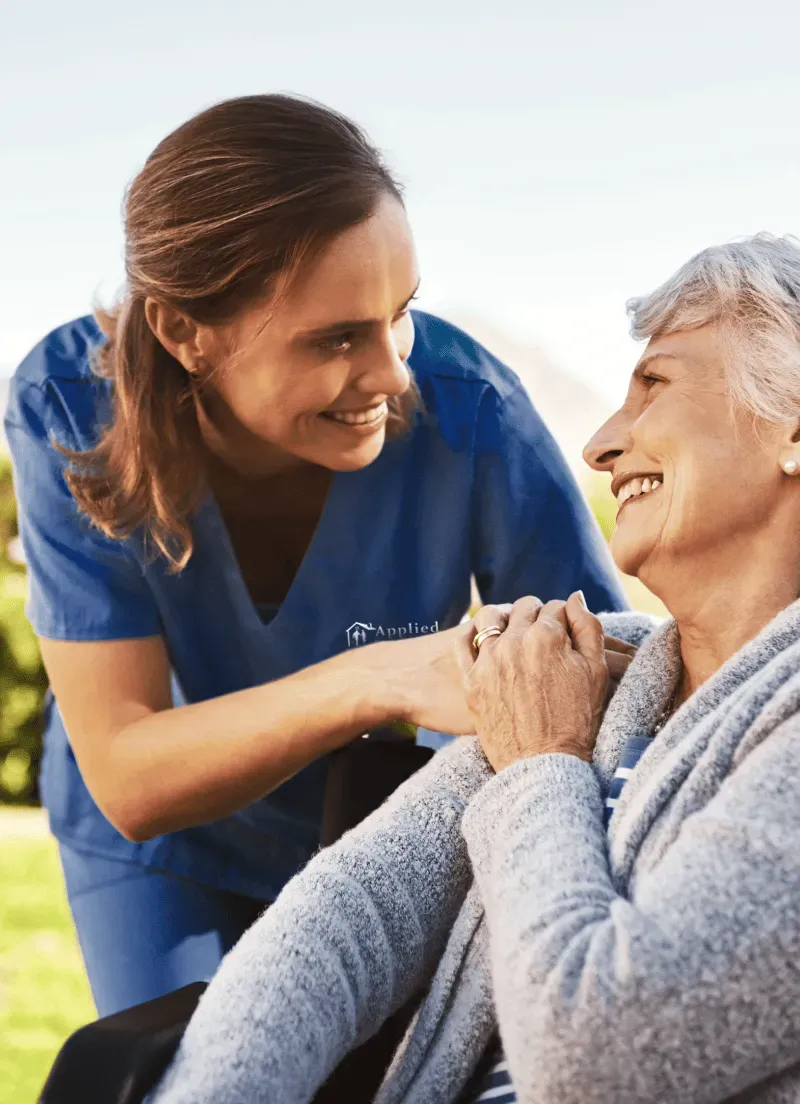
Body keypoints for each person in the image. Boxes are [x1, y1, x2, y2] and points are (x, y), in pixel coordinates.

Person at [5, 93, 625, 1017]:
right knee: (174, 1069)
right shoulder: (65, 408)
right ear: (184, 333)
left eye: (401, 314)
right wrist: (379, 678)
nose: (393, 374)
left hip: (378, 824)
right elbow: (129, 771)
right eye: (335, 338)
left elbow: (602, 667)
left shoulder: (472, 407)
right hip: (157, 853)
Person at [147, 233, 800, 1104]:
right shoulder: (593, 667)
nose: (601, 445)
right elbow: (350, 917)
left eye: (655, 384)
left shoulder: (564, 716)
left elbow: (599, 1060)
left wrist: (541, 762)